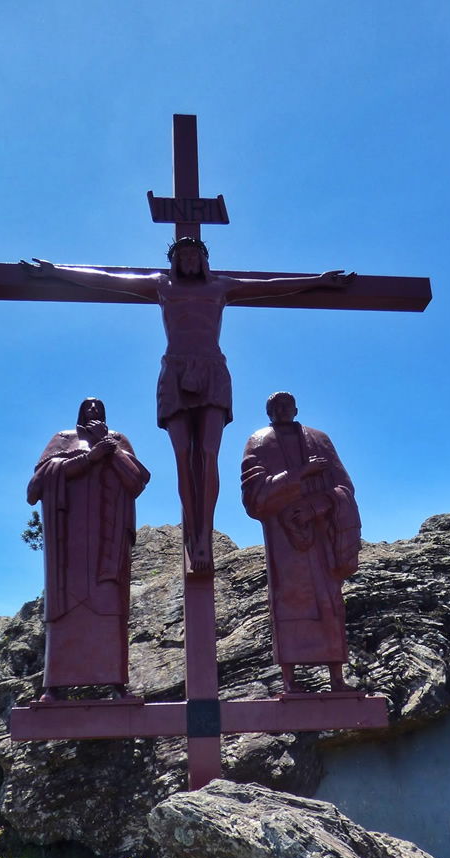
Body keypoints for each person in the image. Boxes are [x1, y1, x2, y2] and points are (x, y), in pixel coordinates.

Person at [23, 241, 352, 574]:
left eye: (196, 255)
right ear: (174, 261)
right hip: (175, 371)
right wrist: (57, 271)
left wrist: (318, 280)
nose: (190, 260)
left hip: (212, 370)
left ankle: (203, 534)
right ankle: (191, 533)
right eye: (183, 256)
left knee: (208, 454)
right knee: (183, 457)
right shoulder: (161, 284)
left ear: (205, 259)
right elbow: (108, 278)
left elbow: (271, 287)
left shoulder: (221, 286)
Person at [27, 398, 150, 700]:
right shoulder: (63, 439)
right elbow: (36, 485)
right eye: (88, 407)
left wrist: (108, 446)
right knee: (66, 609)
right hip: (70, 542)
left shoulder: (117, 440)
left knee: (109, 606)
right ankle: (54, 687)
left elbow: (135, 481)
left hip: (107, 541)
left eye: (99, 407)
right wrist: (89, 458)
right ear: (79, 412)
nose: (93, 411)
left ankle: (115, 683)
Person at [241, 391, 361, 693]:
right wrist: (298, 475)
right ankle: (290, 682)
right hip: (284, 540)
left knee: (330, 602)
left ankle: (337, 678)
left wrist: (319, 505)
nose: (281, 409)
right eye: (274, 406)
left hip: (322, 536)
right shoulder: (258, 441)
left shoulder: (319, 439)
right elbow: (254, 497)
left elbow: (344, 485)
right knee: (288, 603)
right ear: (268, 413)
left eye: (286, 404)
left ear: (296, 408)